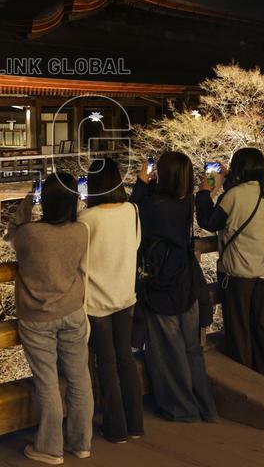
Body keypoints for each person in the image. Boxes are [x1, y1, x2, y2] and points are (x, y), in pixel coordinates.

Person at [6, 173, 94, 465]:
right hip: (72, 311)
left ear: (45, 201)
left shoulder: (31, 234)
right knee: (80, 377)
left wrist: (30, 196)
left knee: (47, 382)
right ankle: (81, 443)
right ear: (73, 200)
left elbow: (12, 230)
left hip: (37, 317)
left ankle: (50, 448)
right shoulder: (80, 230)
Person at [131, 151, 218, 422]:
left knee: (168, 351)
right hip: (186, 280)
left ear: (163, 175)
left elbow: (132, 212)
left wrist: (142, 182)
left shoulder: (154, 206)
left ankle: (181, 409)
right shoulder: (186, 201)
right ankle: (205, 406)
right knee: (191, 348)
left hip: (162, 286)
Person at [196, 148, 264, 382]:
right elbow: (244, 203)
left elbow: (209, 222)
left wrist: (204, 193)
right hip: (262, 269)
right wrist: (229, 179)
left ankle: (246, 379)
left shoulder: (233, 195)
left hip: (238, 271)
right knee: (262, 326)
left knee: (239, 327)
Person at [79, 157, 145, 443]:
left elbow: (79, 258)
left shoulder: (86, 219)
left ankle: (115, 428)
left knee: (105, 363)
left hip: (96, 301)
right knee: (125, 359)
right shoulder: (132, 210)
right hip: (125, 295)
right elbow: (137, 244)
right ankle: (135, 424)